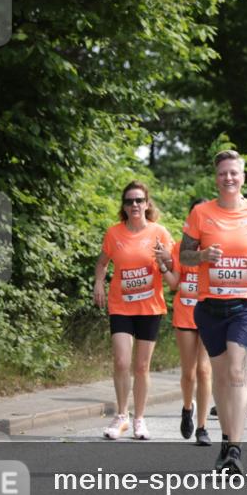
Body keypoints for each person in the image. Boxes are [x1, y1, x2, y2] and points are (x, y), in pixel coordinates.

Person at [180, 150, 247, 474]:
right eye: (223, 173)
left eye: (234, 173)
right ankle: (226, 441)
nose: (229, 178)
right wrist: (203, 255)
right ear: (216, 177)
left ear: (243, 177)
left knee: (237, 370)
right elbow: (184, 255)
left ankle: (235, 450)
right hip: (210, 307)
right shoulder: (200, 213)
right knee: (222, 378)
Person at [94, 181, 175, 440]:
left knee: (141, 366)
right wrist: (98, 283)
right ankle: (121, 416)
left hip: (149, 307)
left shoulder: (159, 232)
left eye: (139, 200)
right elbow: (102, 262)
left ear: (147, 204)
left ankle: (139, 419)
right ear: (124, 207)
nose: (135, 205)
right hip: (121, 306)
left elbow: (175, 264)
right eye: (129, 201)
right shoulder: (114, 234)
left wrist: (166, 260)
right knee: (121, 361)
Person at [159, 197, 213, 445]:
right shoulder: (180, 248)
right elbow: (174, 284)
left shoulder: (218, 247)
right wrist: (162, 266)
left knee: (204, 370)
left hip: (210, 313)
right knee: (189, 372)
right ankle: (186, 407)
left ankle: (202, 427)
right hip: (185, 314)